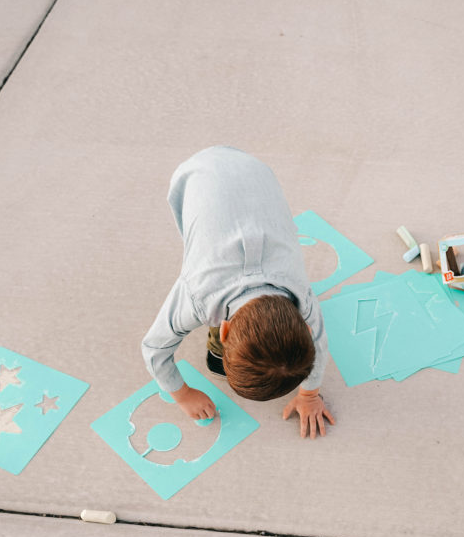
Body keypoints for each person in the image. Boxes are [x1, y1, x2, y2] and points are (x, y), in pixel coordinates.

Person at [141, 146, 335, 439]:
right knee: (196, 240)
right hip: (195, 175)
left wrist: (309, 396)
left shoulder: (301, 294)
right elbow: (153, 349)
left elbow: (320, 345)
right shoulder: (197, 293)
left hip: (257, 171)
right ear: (223, 329)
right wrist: (181, 395)